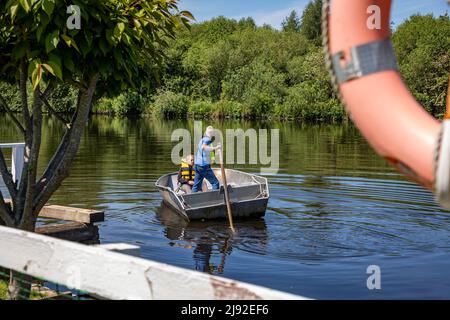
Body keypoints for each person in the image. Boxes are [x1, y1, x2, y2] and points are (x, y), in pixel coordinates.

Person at [192, 126, 221, 193]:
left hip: (197, 165)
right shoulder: (207, 140)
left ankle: (192, 199)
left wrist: (213, 157)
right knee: (215, 183)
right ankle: (215, 199)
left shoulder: (202, 140)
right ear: (212, 133)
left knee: (197, 185)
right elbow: (204, 147)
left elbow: (206, 150)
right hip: (203, 166)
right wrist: (216, 148)